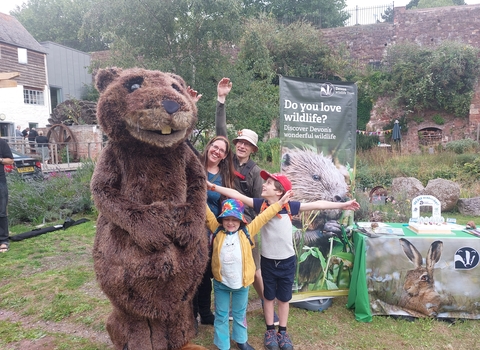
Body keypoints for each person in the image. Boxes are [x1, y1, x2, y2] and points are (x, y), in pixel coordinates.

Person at [208, 171, 360, 350]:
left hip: (287, 260)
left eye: (269, 183)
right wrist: (213, 187)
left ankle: (283, 330)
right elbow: (237, 195)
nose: (264, 185)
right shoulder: (261, 205)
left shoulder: (290, 206)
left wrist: (343, 205)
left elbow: (316, 204)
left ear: (279, 191)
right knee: (268, 296)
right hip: (268, 261)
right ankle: (270, 329)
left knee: (284, 298)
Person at [214, 77, 279, 324]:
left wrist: (245, 227)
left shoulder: (255, 173)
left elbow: (260, 204)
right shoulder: (226, 162)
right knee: (225, 264)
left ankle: (266, 304)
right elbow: (220, 133)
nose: (241, 146)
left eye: (247, 144)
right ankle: (228, 307)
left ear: (253, 149)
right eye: (239, 142)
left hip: (245, 226)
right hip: (223, 220)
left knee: (254, 270)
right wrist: (221, 101)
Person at [205, 189, 293, 350]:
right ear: (221, 220)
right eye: (227, 219)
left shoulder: (247, 231)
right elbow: (207, 213)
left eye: (234, 219)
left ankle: (241, 340)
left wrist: (279, 204)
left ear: (241, 220)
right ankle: (223, 344)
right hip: (221, 283)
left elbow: (263, 217)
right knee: (221, 315)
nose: (230, 223)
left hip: (242, 284)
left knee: (239, 314)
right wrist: (197, 194)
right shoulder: (217, 230)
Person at [193, 135, 236, 326]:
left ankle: (204, 312)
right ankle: (190, 314)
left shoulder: (223, 177)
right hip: (190, 227)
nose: (216, 151)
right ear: (209, 146)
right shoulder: (194, 166)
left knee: (206, 273)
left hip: (211, 230)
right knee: (190, 271)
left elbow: (227, 204)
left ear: (225, 156)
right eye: (214, 146)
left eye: (221, 150)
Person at [0, 138, 14, 253]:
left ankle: (3, 240)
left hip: (0, 181)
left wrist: (0, 160)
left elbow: (10, 161)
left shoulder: (1, 143)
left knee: (1, 211)